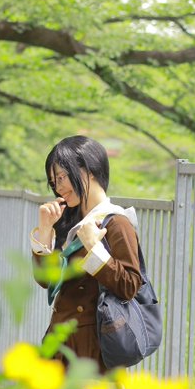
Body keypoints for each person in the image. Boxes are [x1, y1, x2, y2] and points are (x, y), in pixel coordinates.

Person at [31, 135, 142, 374]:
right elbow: (46, 280)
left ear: (89, 170)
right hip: (60, 345)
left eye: (62, 177)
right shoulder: (73, 224)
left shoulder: (116, 222)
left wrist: (95, 250)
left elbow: (130, 285)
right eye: (54, 182)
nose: (59, 188)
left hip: (91, 353)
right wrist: (44, 231)